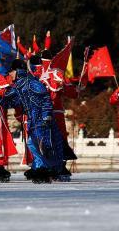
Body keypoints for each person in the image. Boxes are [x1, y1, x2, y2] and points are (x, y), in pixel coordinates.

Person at [0, 58, 67, 183]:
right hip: (32, 118)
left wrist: (46, 116)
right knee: (33, 144)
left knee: (41, 144)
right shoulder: (19, 85)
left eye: (11, 72)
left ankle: (47, 169)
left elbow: (45, 98)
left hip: (40, 118)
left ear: (17, 71)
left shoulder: (32, 83)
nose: (10, 75)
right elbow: (12, 101)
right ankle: (45, 168)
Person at [36, 50, 78, 181]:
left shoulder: (36, 72)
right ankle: (59, 167)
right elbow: (72, 93)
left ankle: (42, 166)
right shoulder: (57, 72)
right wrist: (76, 89)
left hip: (39, 111)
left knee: (42, 140)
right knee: (59, 139)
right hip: (56, 111)